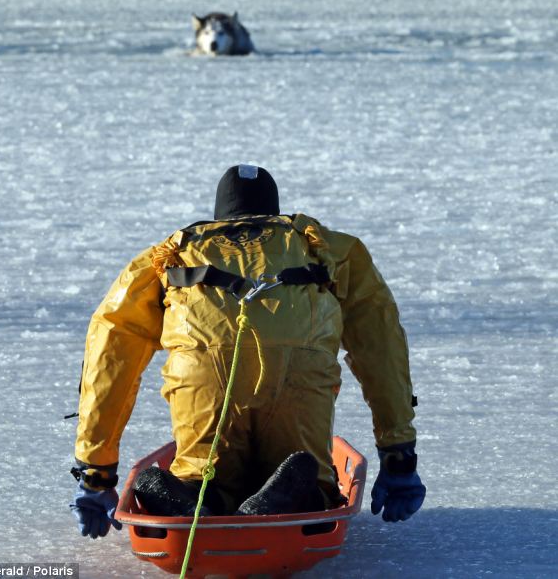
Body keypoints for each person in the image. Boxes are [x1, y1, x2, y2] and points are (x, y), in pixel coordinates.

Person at [70, 164, 426, 539]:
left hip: (204, 381)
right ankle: (299, 492)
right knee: (310, 479)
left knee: (202, 473)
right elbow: (380, 347)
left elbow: (110, 352)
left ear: (219, 214)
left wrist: (96, 473)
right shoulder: (328, 249)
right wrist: (398, 456)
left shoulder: (171, 254)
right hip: (298, 379)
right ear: (273, 211)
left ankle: (193, 496)